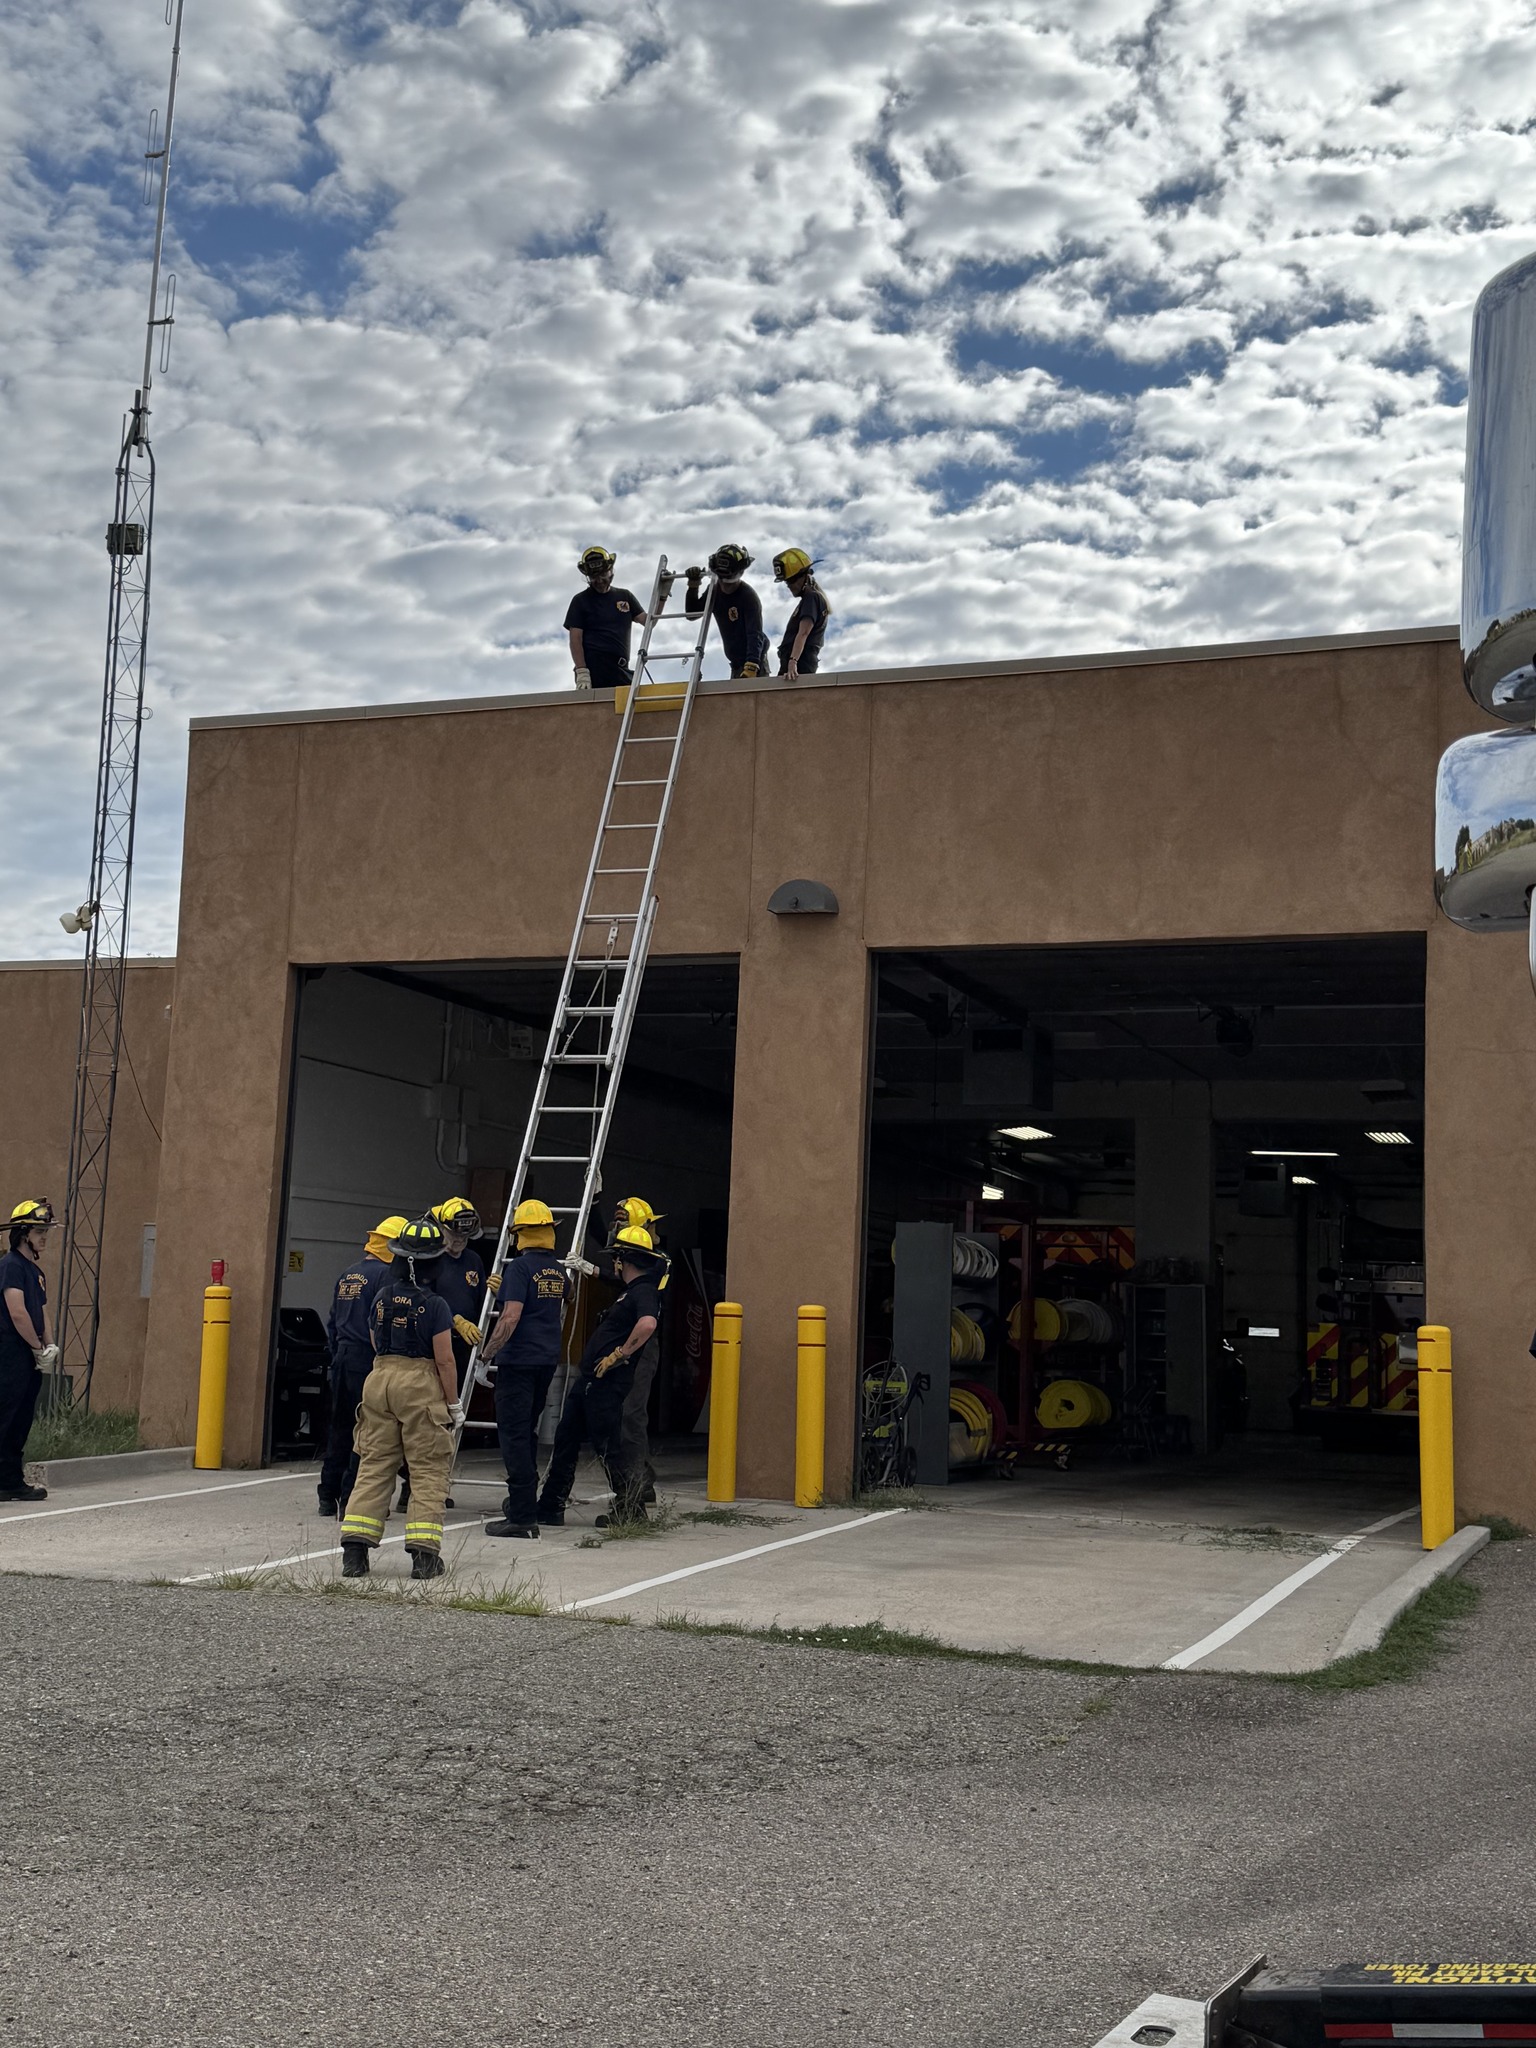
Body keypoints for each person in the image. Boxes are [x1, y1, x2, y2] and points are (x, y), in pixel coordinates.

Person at [339, 1216, 465, 1581]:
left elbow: (375, 1340)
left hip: (379, 1379)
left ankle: (355, 1554)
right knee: (427, 1469)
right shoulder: (436, 1305)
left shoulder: (381, 1297)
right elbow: (444, 1359)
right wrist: (453, 1405)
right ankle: (425, 1557)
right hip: (419, 1384)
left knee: (374, 1464)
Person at [537, 1225, 666, 1529]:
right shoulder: (630, 1291)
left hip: (608, 1382)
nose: (614, 1264)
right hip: (591, 1380)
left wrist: (619, 1353)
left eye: (616, 1258)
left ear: (624, 1259)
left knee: (609, 1446)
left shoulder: (644, 1291)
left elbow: (647, 1324)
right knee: (566, 1438)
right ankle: (551, 1504)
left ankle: (631, 1509)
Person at [476, 1199, 572, 1539]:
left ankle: (521, 1518)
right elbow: (566, 1298)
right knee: (527, 1432)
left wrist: (486, 1356)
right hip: (545, 1360)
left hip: (518, 1361)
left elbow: (511, 1317)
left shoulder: (518, 1268)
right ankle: (525, 1505)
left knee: (513, 1436)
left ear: (520, 1234)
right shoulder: (558, 1270)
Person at [317, 1213, 406, 1517]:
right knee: (368, 1432)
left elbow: (332, 1321)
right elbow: (383, 1323)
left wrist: (336, 1355)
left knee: (340, 1427)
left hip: (342, 1357)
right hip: (368, 1359)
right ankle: (351, 1499)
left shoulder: (348, 1274)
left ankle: (327, 1495)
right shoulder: (386, 1276)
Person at [608, 1196, 668, 1507]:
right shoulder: (630, 1257)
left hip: (642, 1345)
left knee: (632, 1413)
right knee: (619, 1413)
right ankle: (640, 1477)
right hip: (624, 1340)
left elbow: (639, 1284)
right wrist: (594, 1202)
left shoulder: (658, 1261)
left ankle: (638, 1486)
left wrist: (595, 1271)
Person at [0, 1199, 59, 1504]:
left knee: (21, 1419)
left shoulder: (35, 1271)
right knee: (6, 1416)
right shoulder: (10, 1265)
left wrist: (49, 1346)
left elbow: (41, 1311)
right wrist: (37, 1348)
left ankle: (10, 1481)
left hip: (29, 1356)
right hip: (10, 1353)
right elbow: (18, 1312)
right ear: (23, 1234)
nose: (44, 1237)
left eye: (45, 1231)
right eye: (39, 1231)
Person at [564, 545, 648, 692]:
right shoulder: (580, 600)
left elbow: (649, 622)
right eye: (594, 577)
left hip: (620, 669)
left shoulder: (625, 596)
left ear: (610, 571)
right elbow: (575, 638)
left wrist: (662, 596)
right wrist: (582, 671)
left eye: (603, 574)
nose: (599, 580)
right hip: (595, 670)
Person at [684, 544, 770, 678]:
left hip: (754, 661)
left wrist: (752, 665)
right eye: (722, 580)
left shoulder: (748, 596)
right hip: (735, 663)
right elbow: (692, 614)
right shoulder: (714, 591)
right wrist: (693, 584)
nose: (724, 586)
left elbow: (755, 633)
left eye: (728, 582)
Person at [772, 548, 831, 678]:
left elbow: (804, 632)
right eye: (786, 581)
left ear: (804, 576)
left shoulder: (811, 598)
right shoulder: (808, 600)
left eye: (791, 580)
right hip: (797, 662)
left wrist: (793, 662)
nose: (789, 585)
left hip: (800, 664)